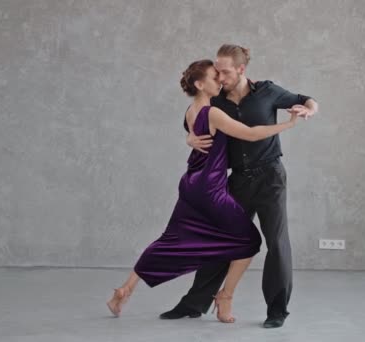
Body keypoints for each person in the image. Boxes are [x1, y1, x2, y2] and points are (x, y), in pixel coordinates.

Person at [106, 59, 300, 323]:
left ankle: (125, 289)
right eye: (213, 76)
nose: (219, 79)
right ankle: (225, 296)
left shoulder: (191, 110)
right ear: (199, 84)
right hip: (210, 188)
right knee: (249, 242)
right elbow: (251, 134)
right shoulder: (213, 113)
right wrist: (288, 125)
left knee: (170, 238)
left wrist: (188, 138)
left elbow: (191, 132)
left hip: (190, 184)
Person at [160, 44, 318, 329]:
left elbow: (306, 99)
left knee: (277, 243)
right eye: (217, 71)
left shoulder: (267, 91)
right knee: (220, 241)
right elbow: (194, 121)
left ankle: (277, 310)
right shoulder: (216, 99)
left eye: (225, 71)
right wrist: (189, 140)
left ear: (241, 69)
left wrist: (309, 109)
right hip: (238, 180)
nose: (219, 76)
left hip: (270, 177)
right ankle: (194, 304)